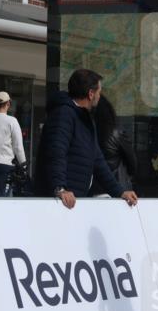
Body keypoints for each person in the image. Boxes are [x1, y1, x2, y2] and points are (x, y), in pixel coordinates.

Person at [34, 69, 138, 209]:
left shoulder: (85, 119)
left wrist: (120, 192)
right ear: (91, 94)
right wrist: (60, 188)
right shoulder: (64, 114)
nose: (99, 96)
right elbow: (56, 152)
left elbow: (98, 161)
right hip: (59, 202)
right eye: (99, 92)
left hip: (74, 200)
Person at [90, 94, 138, 196]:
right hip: (118, 188)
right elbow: (132, 162)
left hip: (92, 189)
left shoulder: (86, 132)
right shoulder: (117, 132)